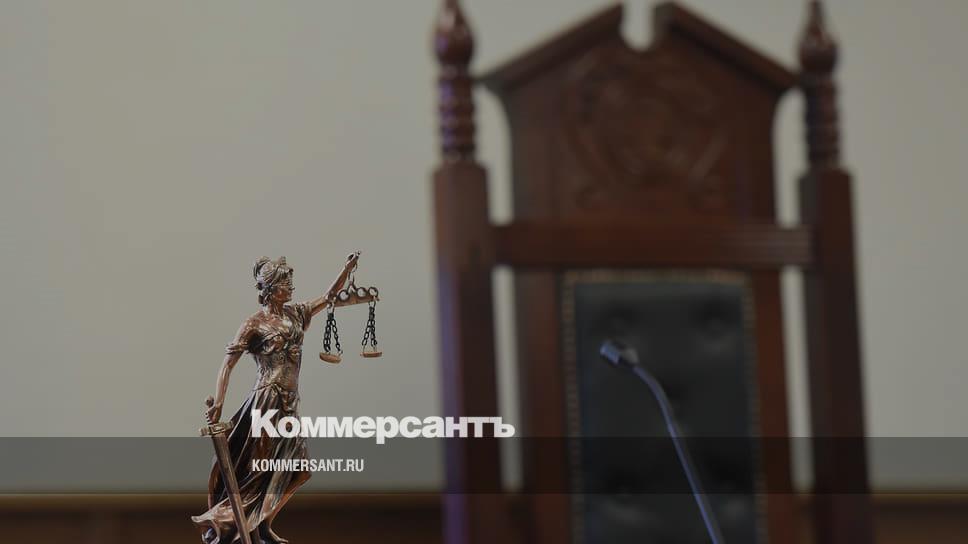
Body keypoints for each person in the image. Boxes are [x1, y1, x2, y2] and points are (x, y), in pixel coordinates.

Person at [192, 253, 359, 544]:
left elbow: (329, 297)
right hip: (267, 400)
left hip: (290, 401)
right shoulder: (254, 324)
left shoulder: (297, 314)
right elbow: (228, 364)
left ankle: (263, 522)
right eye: (285, 282)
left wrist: (346, 270)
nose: (291, 286)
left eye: (290, 281)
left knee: (298, 469)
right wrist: (219, 402)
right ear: (269, 289)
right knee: (260, 471)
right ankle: (243, 526)